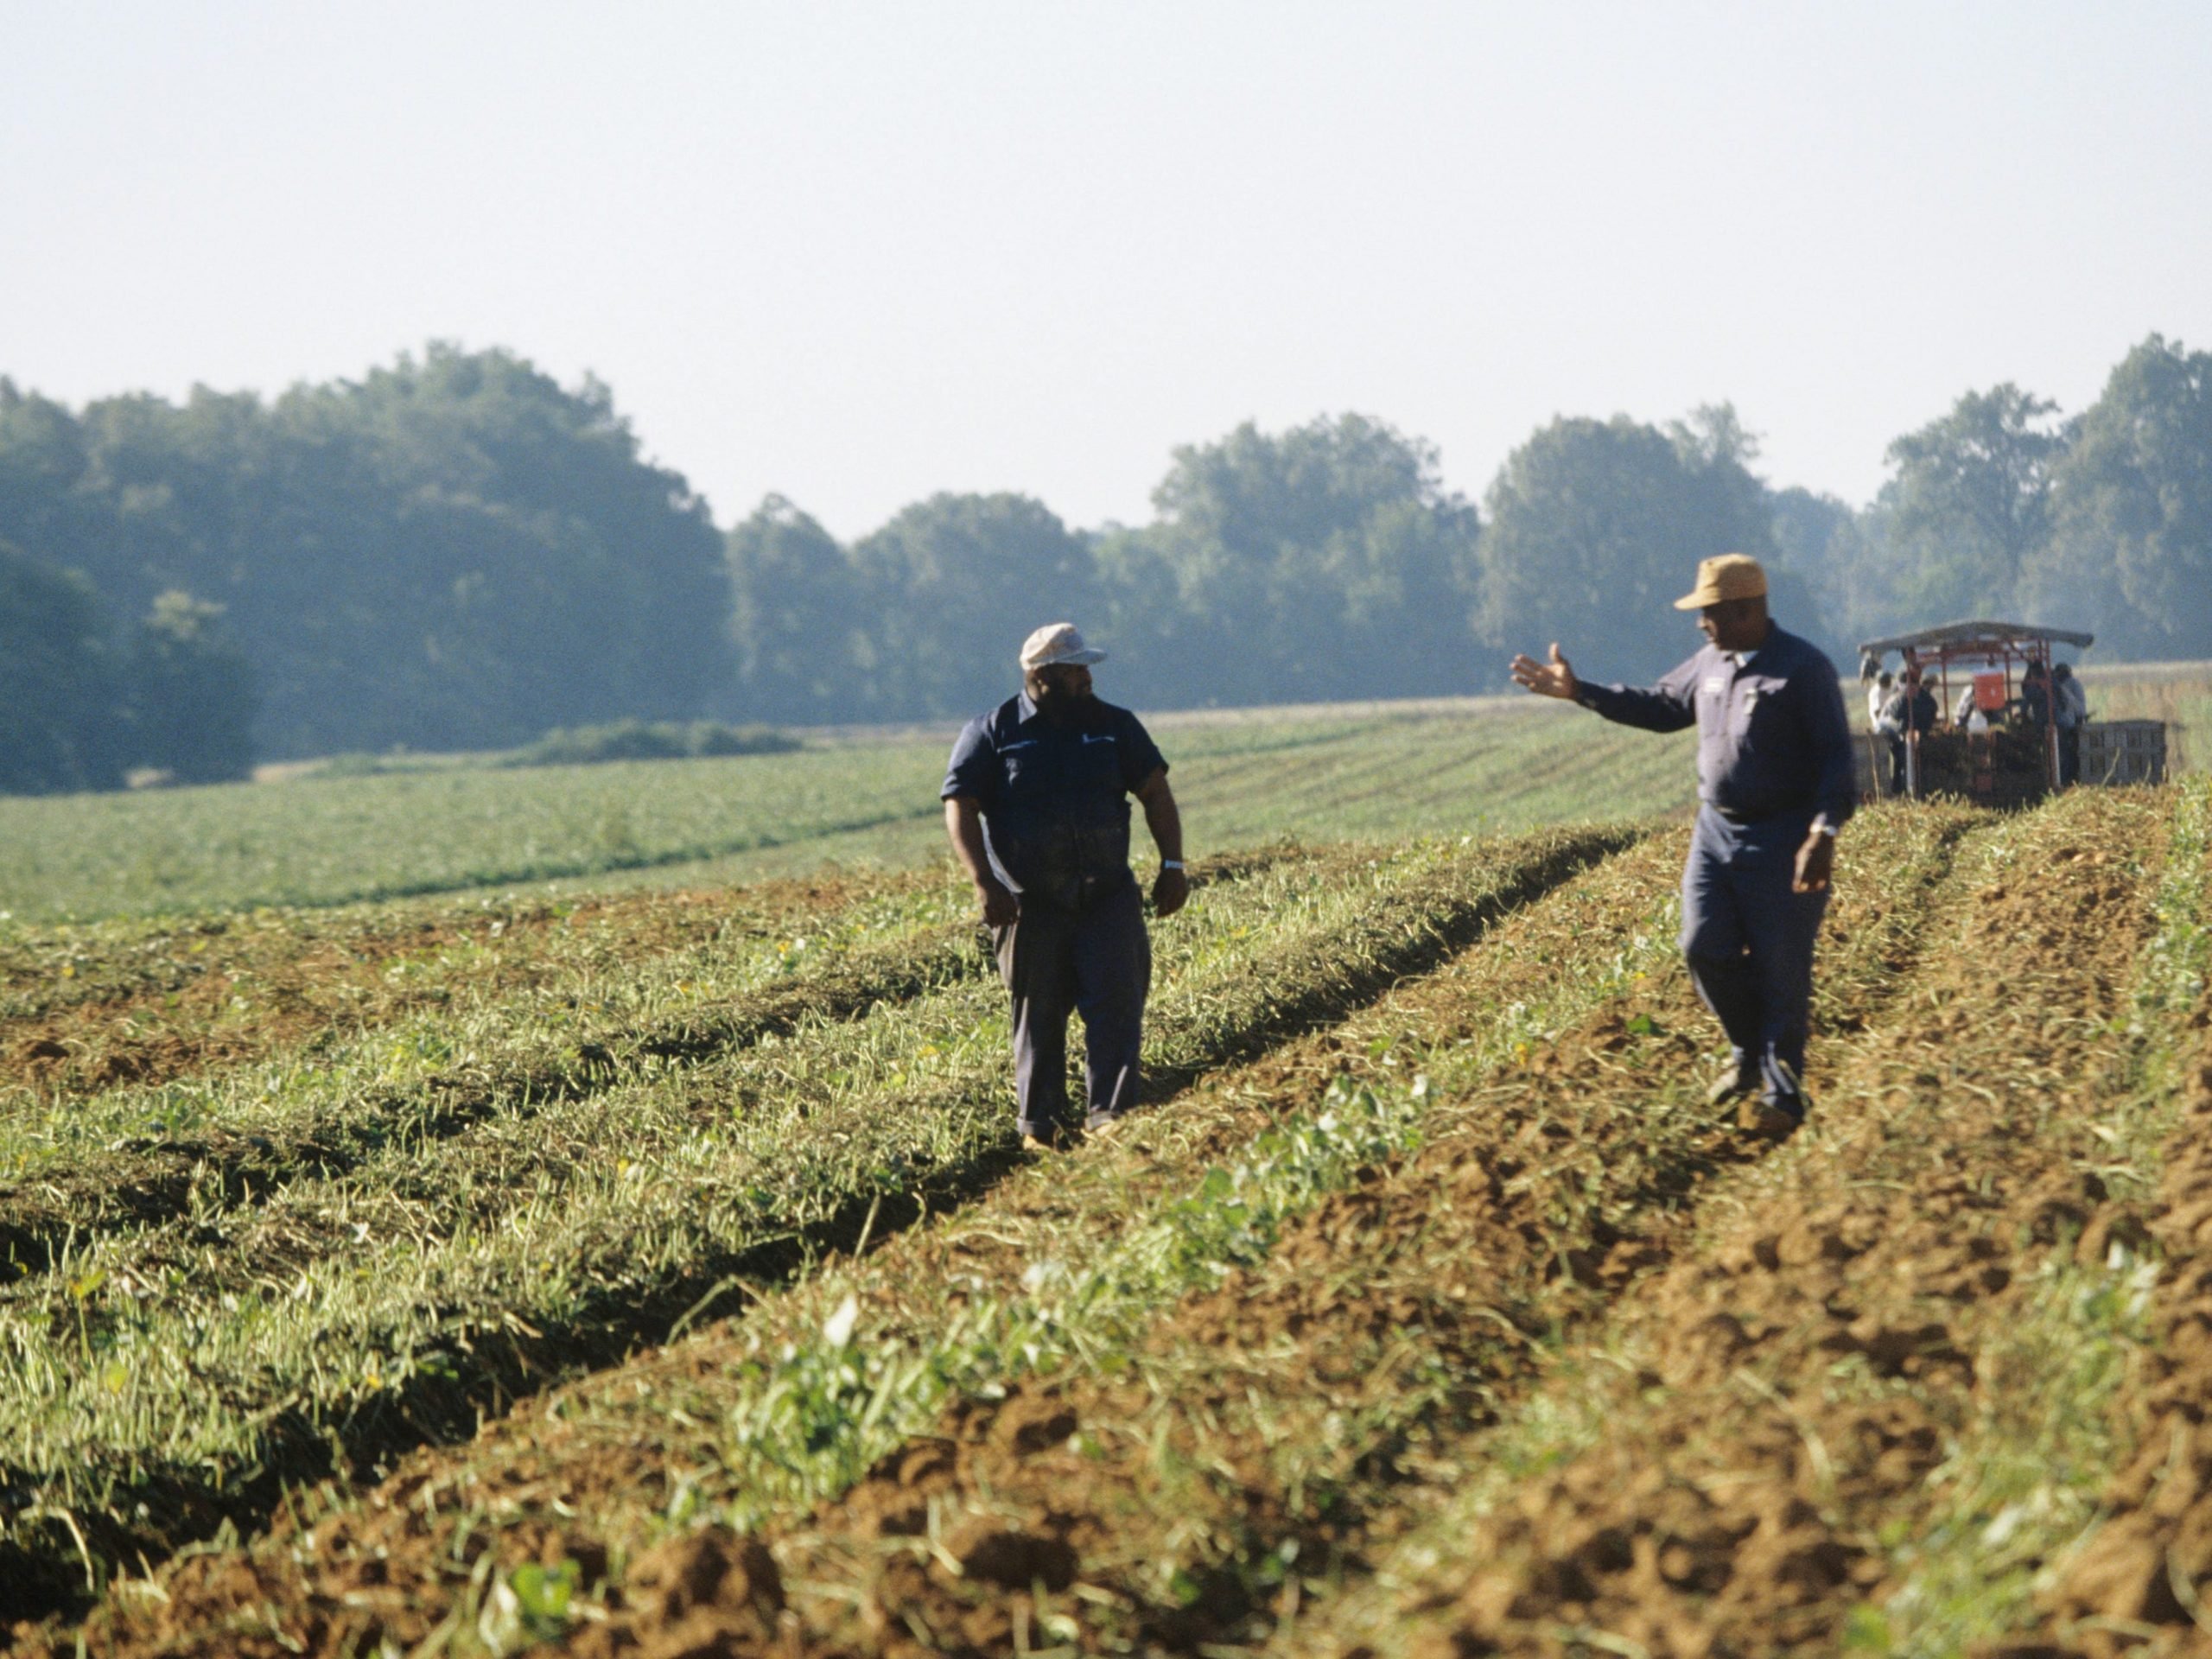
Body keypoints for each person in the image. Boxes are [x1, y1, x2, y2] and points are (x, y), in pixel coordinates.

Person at [1510, 554, 1853, 1139]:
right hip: (1715, 831)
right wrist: (1581, 692)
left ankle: (1783, 1097)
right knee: (1702, 944)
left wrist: (1823, 832)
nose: (1701, 624)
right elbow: (1661, 707)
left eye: (1710, 613)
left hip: (1784, 836)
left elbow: (1837, 761)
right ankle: (1748, 1053)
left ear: (1746, 610)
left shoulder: (1802, 670)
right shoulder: (1710, 663)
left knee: (1780, 970)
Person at [942, 623, 1187, 1150]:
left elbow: (1156, 794)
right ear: (1040, 675)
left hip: (1108, 896)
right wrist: (984, 881)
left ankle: (1111, 1117)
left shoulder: (1114, 726)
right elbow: (959, 806)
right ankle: (1041, 1129)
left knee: (1118, 1003)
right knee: (1037, 1015)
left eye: (1086, 667)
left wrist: (1173, 865)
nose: (1086, 677)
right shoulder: (992, 731)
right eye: (1075, 669)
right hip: (1029, 904)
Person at [1879, 668, 1937, 794]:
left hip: (1918, 737)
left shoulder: (1924, 699)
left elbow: (1932, 711)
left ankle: (1909, 789)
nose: (1912, 689)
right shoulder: (1898, 699)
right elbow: (1894, 716)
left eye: (1914, 686)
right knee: (1901, 763)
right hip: (1900, 739)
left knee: (1911, 764)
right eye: (1909, 687)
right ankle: (1901, 790)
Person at [2053, 662, 2088, 785]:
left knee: (2067, 753)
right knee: (2071, 752)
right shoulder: (2074, 683)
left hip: (2070, 723)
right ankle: (2071, 777)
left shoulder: (2066, 686)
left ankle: (2067, 778)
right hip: (2075, 720)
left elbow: (2072, 706)